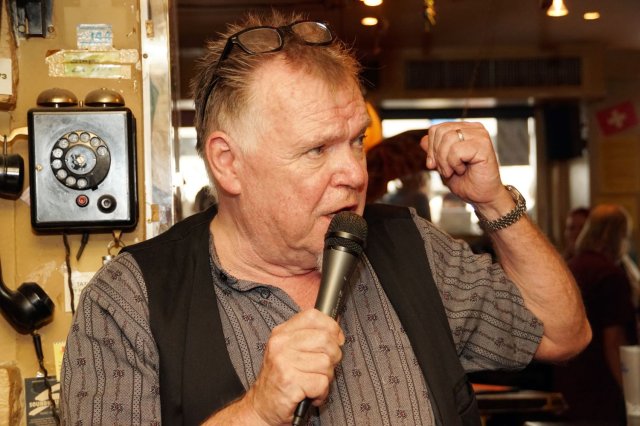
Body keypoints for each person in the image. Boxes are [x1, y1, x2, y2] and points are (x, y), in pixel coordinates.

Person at [60, 11, 590, 425]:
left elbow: (563, 334)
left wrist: (493, 201)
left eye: (356, 141)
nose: (355, 174)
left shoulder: (411, 246)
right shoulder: (129, 299)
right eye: (317, 150)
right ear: (228, 163)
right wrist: (257, 411)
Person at [554, 203, 637, 425]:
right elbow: (614, 342)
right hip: (601, 383)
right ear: (618, 235)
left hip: (570, 378)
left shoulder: (570, 267)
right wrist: (632, 394)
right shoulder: (610, 275)